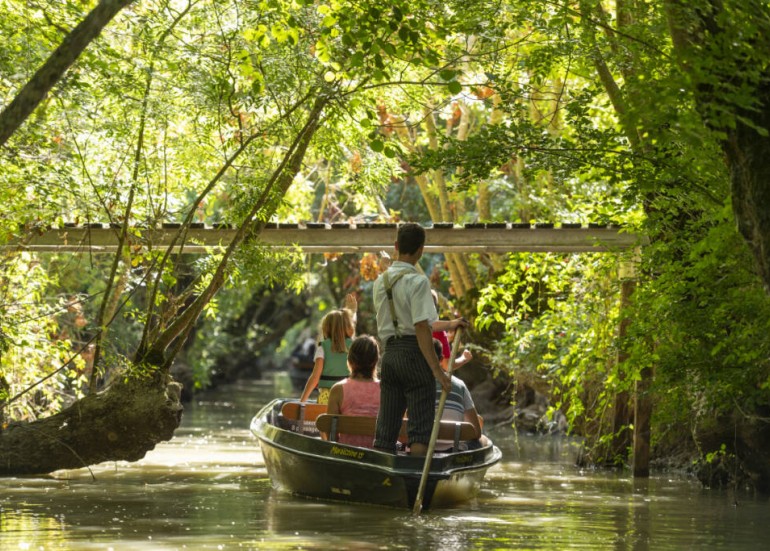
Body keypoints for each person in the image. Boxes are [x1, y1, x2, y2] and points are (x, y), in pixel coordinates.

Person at [372, 222, 468, 455]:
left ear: (396, 246)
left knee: (387, 427)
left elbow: (423, 322)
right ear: (421, 249)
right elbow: (421, 328)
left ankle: (383, 479)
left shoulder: (379, 282)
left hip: (390, 356)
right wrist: (437, 371)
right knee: (420, 427)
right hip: (415, 355)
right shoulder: (418, 281)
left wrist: (451, 324)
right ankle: (416, 480)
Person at [300, 293, 357, 404]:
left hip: (328, 398)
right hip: (349, 396)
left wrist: (302, 402)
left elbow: (315, 378)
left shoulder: (323, 348)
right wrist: (352, 313)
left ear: (326, 329)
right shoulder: (354, 346)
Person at [326, 335, 381, 448]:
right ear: (375, 361)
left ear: (350, 359)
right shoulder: (385, 389)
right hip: (377, 454)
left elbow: (330, 432)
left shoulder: (338, 389)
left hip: (346, 453)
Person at [432, 338, 482, 451]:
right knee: (481, 440)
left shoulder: (414, 385)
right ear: (441, 360)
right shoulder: (460, 385)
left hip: (421, 451)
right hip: (455, 451)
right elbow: (476, 432)